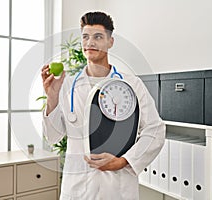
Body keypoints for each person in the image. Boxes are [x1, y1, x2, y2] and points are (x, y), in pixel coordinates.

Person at [41, 11, 165, 200]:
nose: (90, 42)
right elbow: (53, 136)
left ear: (110, 42)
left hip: (118, 188)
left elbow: (155, 130)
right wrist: (52, 97)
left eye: (98, 37)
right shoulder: (67, 85)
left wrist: (123, 161)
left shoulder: (131, 84)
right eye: (85, 37)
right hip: (77, 189)